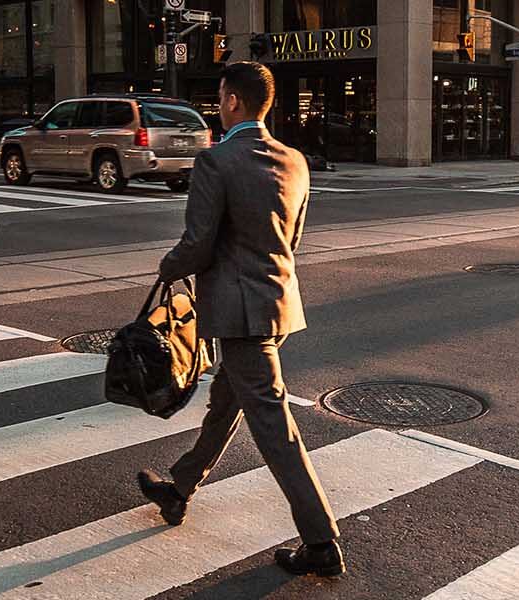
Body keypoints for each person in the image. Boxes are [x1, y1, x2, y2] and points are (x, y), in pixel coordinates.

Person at [138, 61, 343, 577]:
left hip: (237, 310)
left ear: (232, 101)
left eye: (221, 95)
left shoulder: (218, 161)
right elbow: (290, 240)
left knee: (275, 426)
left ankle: (321, 542)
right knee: (226, 401)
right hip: (277, 302)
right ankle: (179, 488)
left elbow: (198, 243)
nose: (219, 104)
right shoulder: (295, 160)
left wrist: (169, 267)